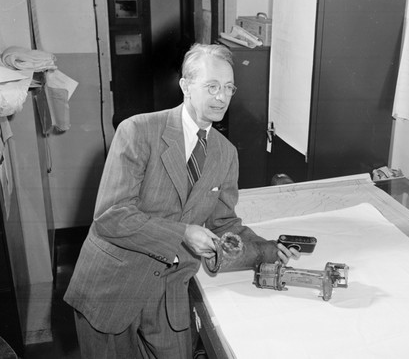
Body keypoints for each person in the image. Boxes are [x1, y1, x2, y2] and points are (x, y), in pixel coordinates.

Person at [64, 43, 299, 359]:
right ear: (186, 86)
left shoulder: (225, 154)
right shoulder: (138, 131)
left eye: (228, 88)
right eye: (211, 86)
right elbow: (111, 217)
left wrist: (266, 250)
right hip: (112, 289)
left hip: (169, 293)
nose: (221, 97)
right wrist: (183, 233)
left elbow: (224, 224)